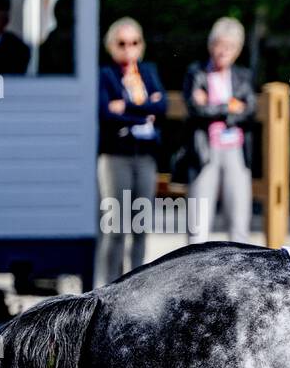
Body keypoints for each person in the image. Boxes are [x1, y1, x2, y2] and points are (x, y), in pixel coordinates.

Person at [95, 18, 166, 286]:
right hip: (115, 157)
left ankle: (138, 286)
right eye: (122, 44)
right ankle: (107, 288)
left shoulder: (148, 72)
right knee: (115, 226)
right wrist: (143, 112)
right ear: (111, 46)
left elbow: (162, 107)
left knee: (140, 225)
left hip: (145, 156)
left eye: (134, 42)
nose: (128, 49)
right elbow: (106, 113)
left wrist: (125, 108)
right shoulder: (106, 74)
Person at [182, 17, 258, 244]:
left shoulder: (243, 76)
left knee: (239, 223)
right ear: (210, 45)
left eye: (230, 47)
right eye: (219, 45)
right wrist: (230, 106)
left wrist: (214, 107)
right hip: (205, 151)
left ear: (238, 50)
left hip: (236, 151)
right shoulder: (196, 73)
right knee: (198, 225)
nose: (223, 51)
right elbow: (196, 108)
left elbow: (250, 109)